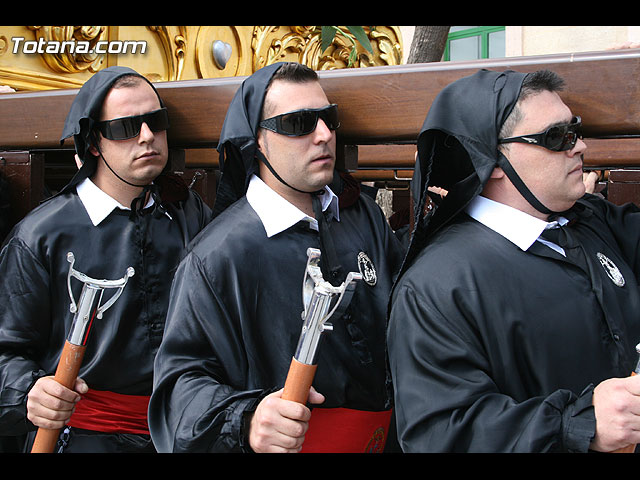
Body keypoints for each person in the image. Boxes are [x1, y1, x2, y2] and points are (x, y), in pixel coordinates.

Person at [148, 62, 404, 453]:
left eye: (327, 118)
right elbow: (178, 393)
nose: (323, 135)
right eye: (298, 122)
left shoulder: (364, 216)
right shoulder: (216, 258)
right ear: (257, 142)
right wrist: (247, 420)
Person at [387, 68, 640, 452]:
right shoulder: (436, 287)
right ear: (494, 161)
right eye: (557, 137)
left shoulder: (590, 220)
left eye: (575, 129)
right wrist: (577, 425)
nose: (579, 146)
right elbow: (442, 433)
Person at [0, 66, 212, 453]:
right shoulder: (40, 236)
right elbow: (5, 349)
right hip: (85, 436)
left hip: (186, 432)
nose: (146, 136)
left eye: (155, 121)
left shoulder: (191, 215)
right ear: (94, 142)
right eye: (126, 127)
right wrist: (29, 390)